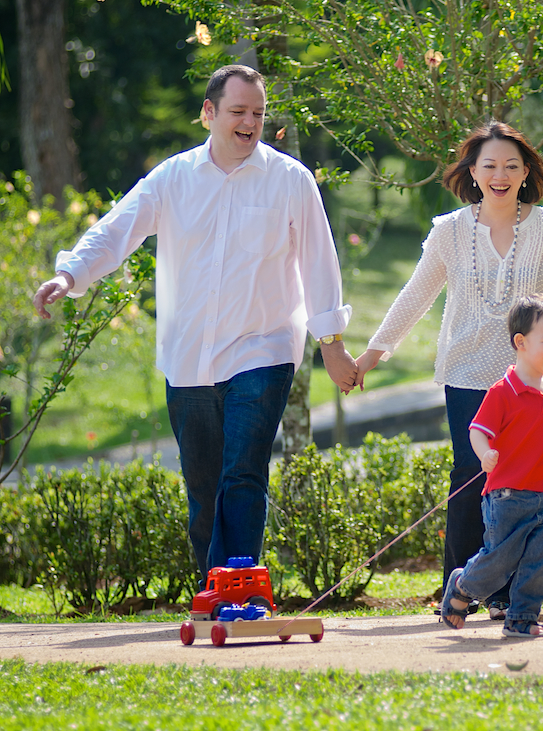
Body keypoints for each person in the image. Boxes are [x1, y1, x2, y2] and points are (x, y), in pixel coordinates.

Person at [31, 64, 359, 583]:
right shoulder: (173, 178)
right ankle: (214, 587)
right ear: (209, 114)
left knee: (243, 473)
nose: (250, 122)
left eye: (258, 112)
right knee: (204, 487)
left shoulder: (291, 181)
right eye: (238, 112)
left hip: (264, 350)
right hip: (189, 360)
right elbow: (117, 230)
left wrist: (332, 343)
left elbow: (319, 262)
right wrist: (69, 275)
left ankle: (242, 585)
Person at [355, 121, 543, 620]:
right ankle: (457, 589)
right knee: (472, 472)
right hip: (466, 370)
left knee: (524, 480)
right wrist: (373, 354)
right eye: (489, 166)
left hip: (530, 378)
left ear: (526, 171)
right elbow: (416, 295)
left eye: (511, 165)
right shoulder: (450, 232)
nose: (500, 175)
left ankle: (503, 595)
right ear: (472, 172)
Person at [440, 294, 543, 637]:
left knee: (536, 563)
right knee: (500, 560)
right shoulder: (502, 391)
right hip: (506, 495)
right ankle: (463, 584)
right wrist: (484, 454)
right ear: (520, 342)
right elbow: (477, 431)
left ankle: (522, 620)